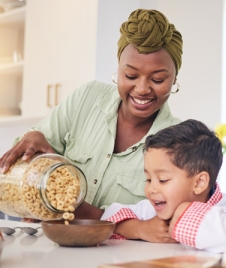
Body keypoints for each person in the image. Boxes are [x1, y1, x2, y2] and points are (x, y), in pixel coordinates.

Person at [0, 9, 183, 243]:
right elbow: (27, 162)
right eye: (130, 75)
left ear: (174, 78)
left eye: (157, 79)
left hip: (121, 259)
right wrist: (33, 138)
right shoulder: (87, 98)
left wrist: (71, 207)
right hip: (54, 247)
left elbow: (161, 224)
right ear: (118, 69)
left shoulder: (177, 143)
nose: (142, 89)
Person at [101, 119, 226, 253]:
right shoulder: (152, 210)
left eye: (163, 180)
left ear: (199, 183)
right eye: (148, 179)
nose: (151, 189)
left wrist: (184, 212)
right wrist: (141, 228)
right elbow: (108, 220)